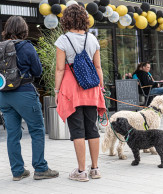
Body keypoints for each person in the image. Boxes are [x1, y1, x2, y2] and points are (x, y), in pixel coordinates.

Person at [0, 16, 59, 181]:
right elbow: (38, 71)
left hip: (3, 95)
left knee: (12, 134)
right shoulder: (26, 47)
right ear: (23, 30)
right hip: (24, 93)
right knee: (37, 130)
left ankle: (18, 171)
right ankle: (40, 168)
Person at [54, 4, 106, 182]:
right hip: (91, 88)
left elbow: (60, 69)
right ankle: (95, 169)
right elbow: (98, 66)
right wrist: (102, 87)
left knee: (78, 130)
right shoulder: (92, 39)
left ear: (66, 19)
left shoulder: (63, 40)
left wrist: (56, 90)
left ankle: (81, 171)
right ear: (84, 18)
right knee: (92, 129)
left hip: (71, 89)